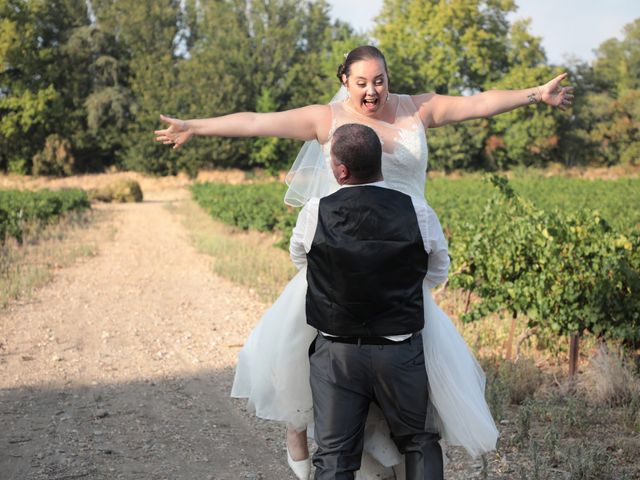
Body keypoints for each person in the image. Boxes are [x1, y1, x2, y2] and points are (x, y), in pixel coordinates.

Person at [154, 45, 573, 479]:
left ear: (389, 78)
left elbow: (479, 103)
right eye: (361, 83)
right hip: (342, 263)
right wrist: (195, 127)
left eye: (379, 81)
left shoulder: (416, 109)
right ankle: (304, 434)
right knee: (310, 362)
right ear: (344, 82)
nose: (372, 91)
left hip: (398, 264)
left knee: (413, 393)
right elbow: (257, 122)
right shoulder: (326, 118)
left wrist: (535, 94)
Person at [292, 122, 449, 479]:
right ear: (379, 161)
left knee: (333, 456)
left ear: (340, 170)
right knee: (419, 442)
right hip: (399, 350)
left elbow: (303, 262)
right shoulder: (418, 210)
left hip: (336, 353)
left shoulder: (314, 211)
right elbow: (438, 270)